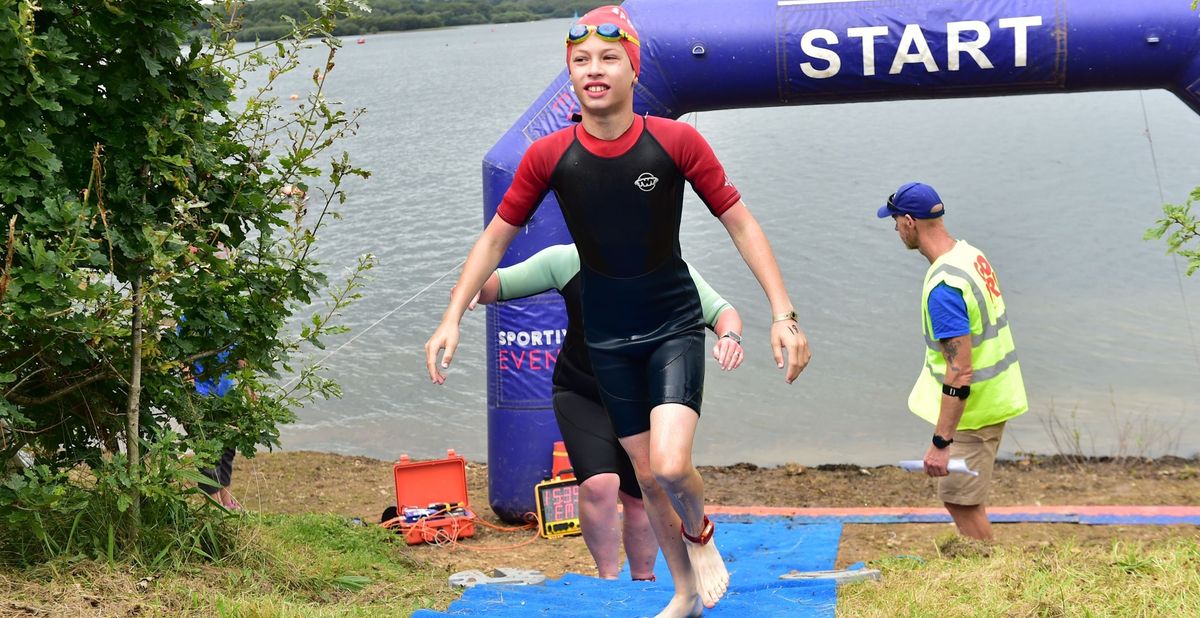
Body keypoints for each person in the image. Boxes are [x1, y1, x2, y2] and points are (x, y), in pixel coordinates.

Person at [425, 7, 811, 615]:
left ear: (633, 68)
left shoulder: (676, 141)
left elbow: (739, 221)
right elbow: (495, 239)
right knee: (648, 478)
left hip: (672, 323)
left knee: (671, 462)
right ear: (571, 76)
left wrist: (782, 314)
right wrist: (452, 316)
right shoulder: (548, 156)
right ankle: (683, 592)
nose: (594, 70)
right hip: (607, 339)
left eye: (608, 58)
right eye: (580, 61)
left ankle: (702, 534)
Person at [467, 243, 745, 581]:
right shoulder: (567, 260)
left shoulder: (665, 266)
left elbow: (721, 312)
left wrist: (729, 337)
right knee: (599, 484)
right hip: (582, 391)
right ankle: (608, 580)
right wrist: (469, 287)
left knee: (643, 493)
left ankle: (643, 579)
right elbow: (496, 285)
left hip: (640, 398)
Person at [877, 182, 1028, 541]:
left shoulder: (945, 287)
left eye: (895, 221)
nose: (896, 228)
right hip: (996, 396)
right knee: (964, 498)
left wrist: (941, 444)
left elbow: (959, 371)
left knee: (962, 502)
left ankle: (987, 574)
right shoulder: (970, 255)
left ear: (910, 221)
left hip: (974, 411)